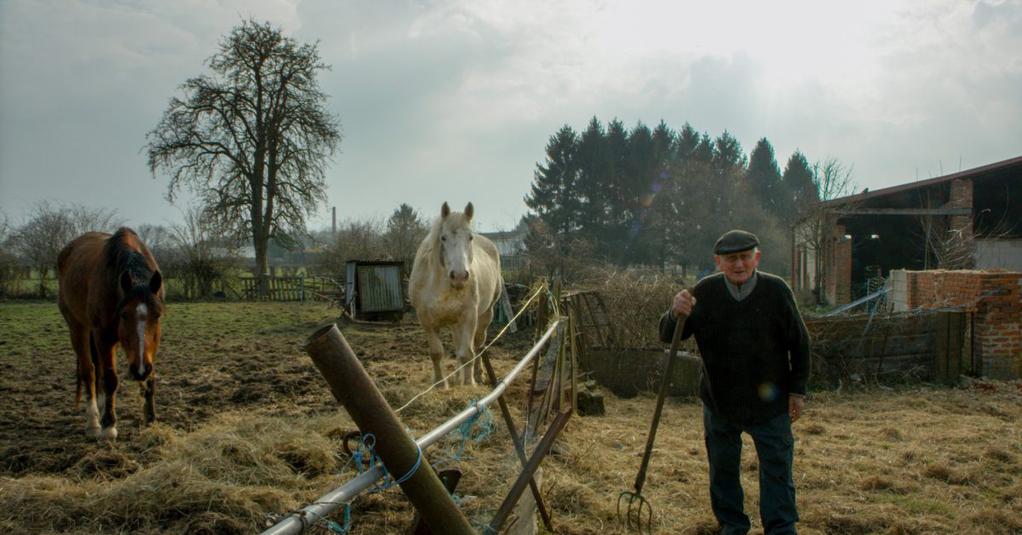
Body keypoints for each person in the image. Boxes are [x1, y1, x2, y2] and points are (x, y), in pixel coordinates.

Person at [659, 229, 810, 535]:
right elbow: (668, 335)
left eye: (744, 257)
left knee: (777, 469)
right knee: (723, 469)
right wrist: (675, 313)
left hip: (770, 402)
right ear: (718, 262)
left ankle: (781, 527)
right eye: (731, 259)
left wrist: (797, 390)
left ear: (757, 257)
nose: (739, 264)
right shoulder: (704, 292)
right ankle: (732, 525)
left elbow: (800, 342)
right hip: (720, 401)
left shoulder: (776, 291)